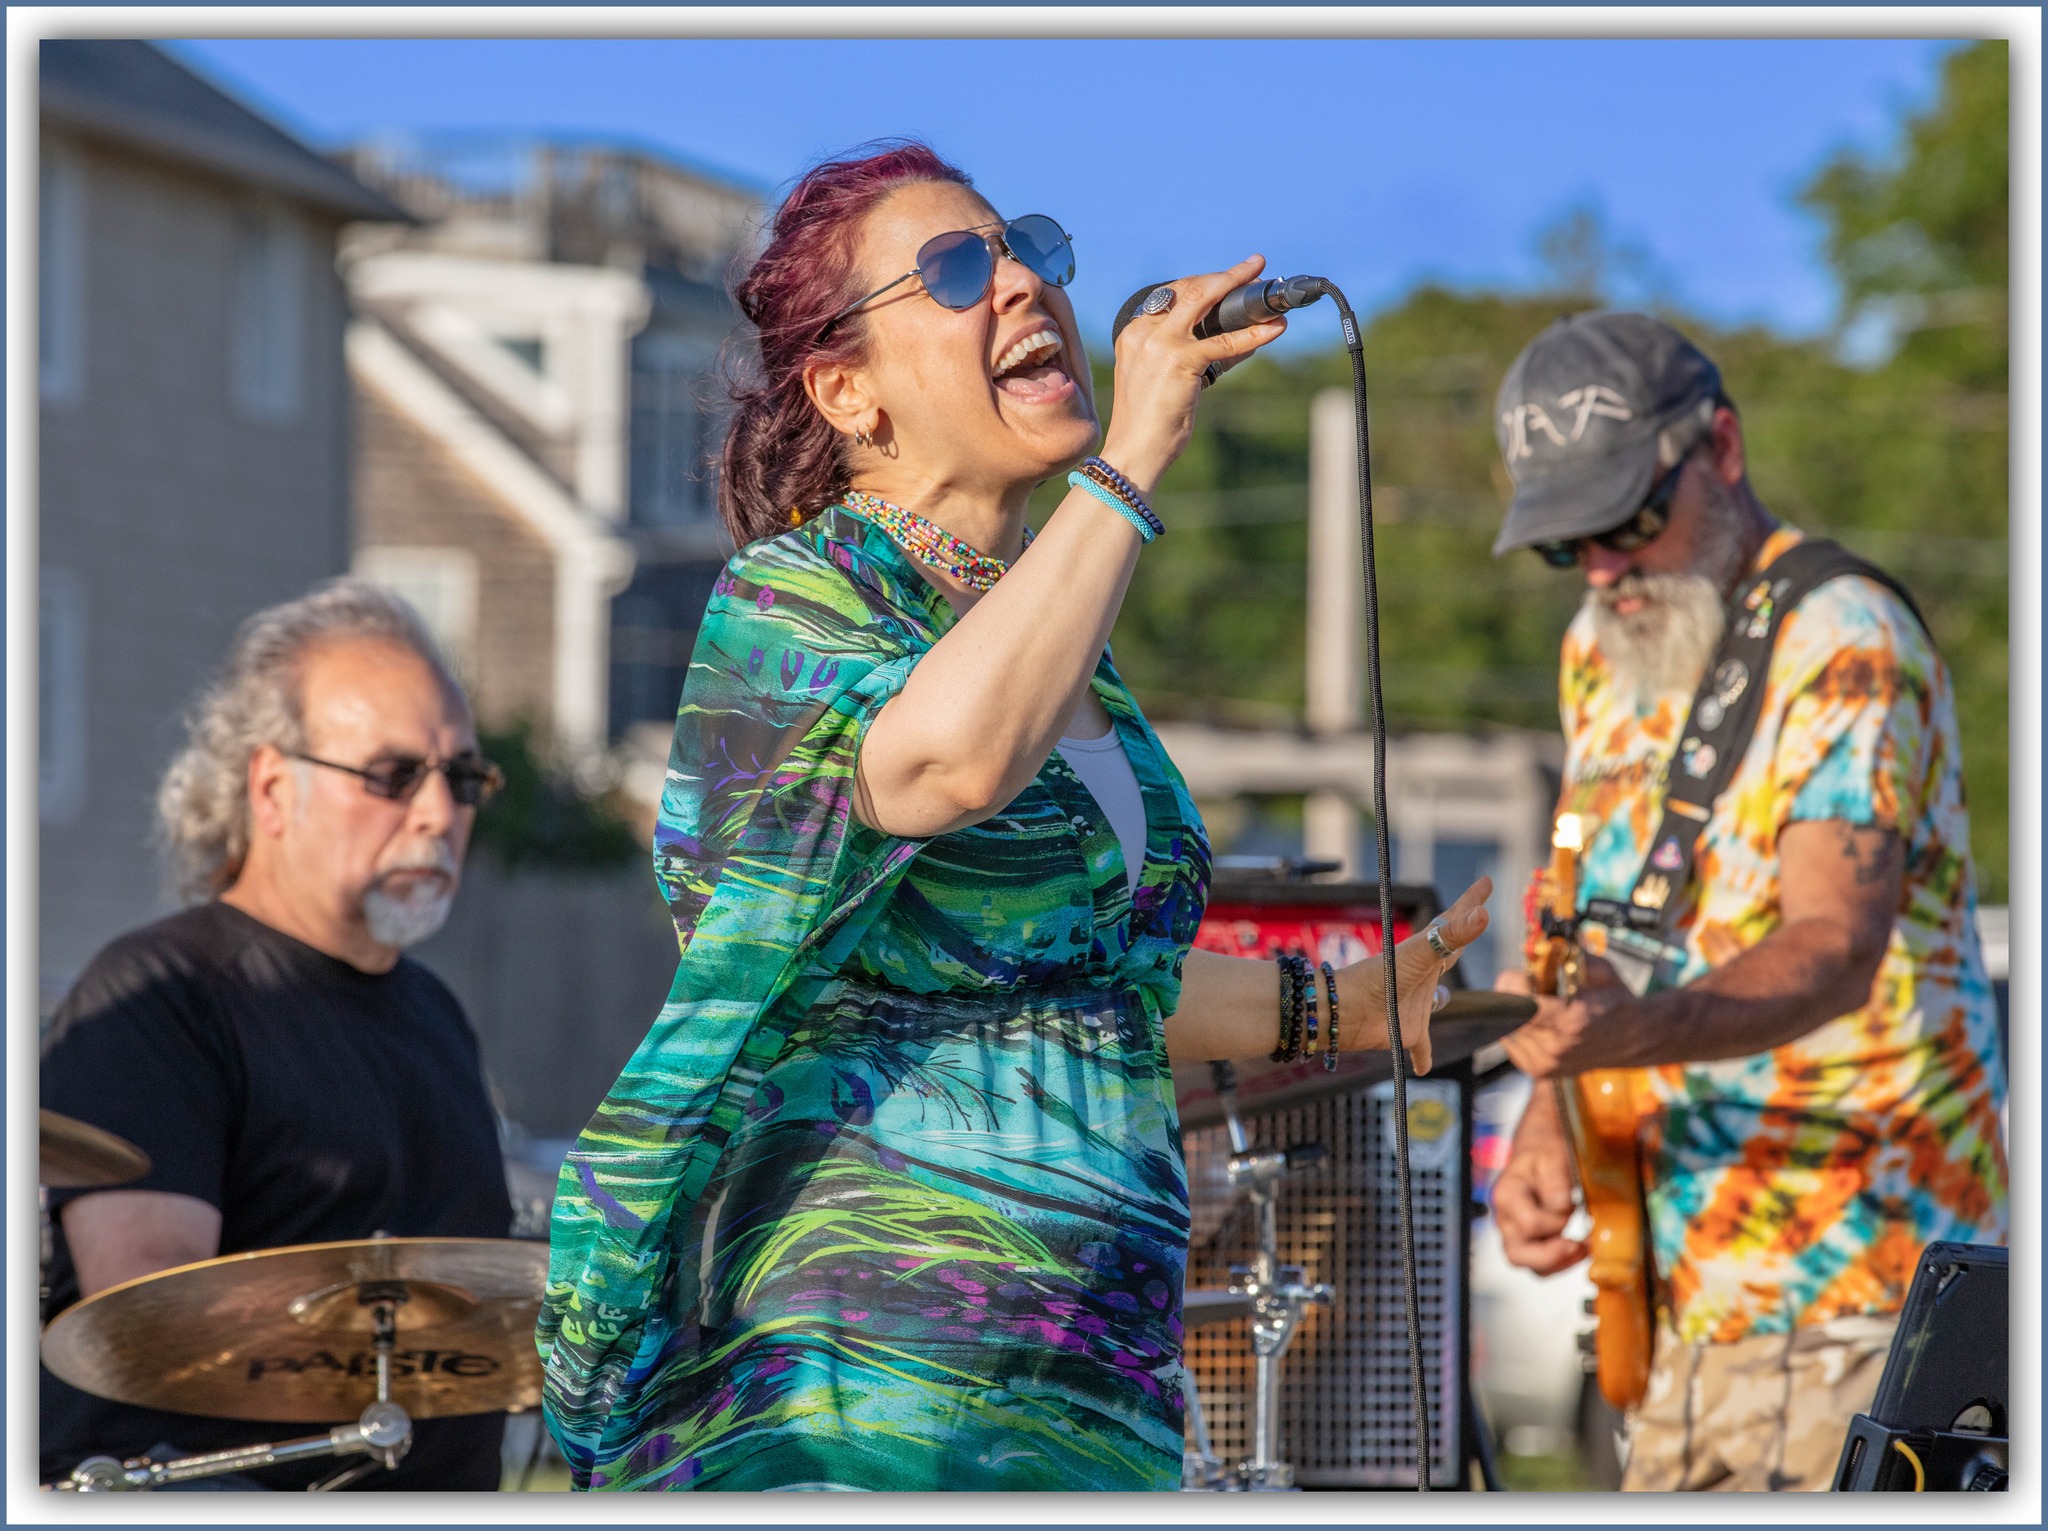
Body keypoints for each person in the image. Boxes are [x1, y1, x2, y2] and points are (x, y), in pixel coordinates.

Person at [537, 140, 1492, 1493]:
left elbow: (1082, 984)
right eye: (955, 269)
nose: (1025, 287)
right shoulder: (795, 603)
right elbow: (948, 767)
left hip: (1084, 1386)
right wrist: (1140, 450)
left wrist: (1336, 1009)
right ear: (848, 391)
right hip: (860, 1385)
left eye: (1028, 250)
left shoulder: (1058, 646)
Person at [1486, 312, 2007, 1491]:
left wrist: (1631, 1031)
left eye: (1624, 520)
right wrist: (1548, 1119)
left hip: (1854, 1293)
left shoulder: (1843, 639)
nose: (1604, 569)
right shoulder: (1597, 648)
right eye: (1567, 544)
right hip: (1678, 1298)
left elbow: (1832, 945)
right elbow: (1587, 914)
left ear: (1717, 448)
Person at [40, 580, 516, 1491]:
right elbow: (158, 1326)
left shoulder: (437, 1015)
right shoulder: (156, 996)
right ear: (271, 787)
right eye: (391, 774)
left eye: (461, 777)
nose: (437, 813)